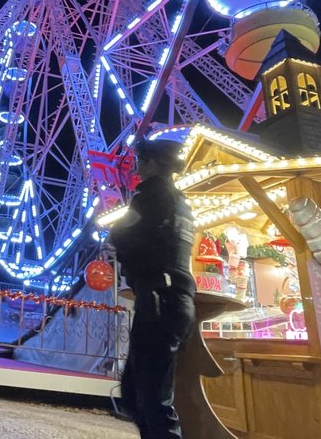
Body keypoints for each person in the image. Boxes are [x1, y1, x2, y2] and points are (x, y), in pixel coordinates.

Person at [107, 138, 195, 439]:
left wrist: (119, 239)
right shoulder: (181, 203)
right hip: (177, 300)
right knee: (139, 390)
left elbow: (120, 235)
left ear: (154, 164)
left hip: (159, 301)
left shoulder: (151, 196)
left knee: (150, 396)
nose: (137, 168)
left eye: (141, 161)